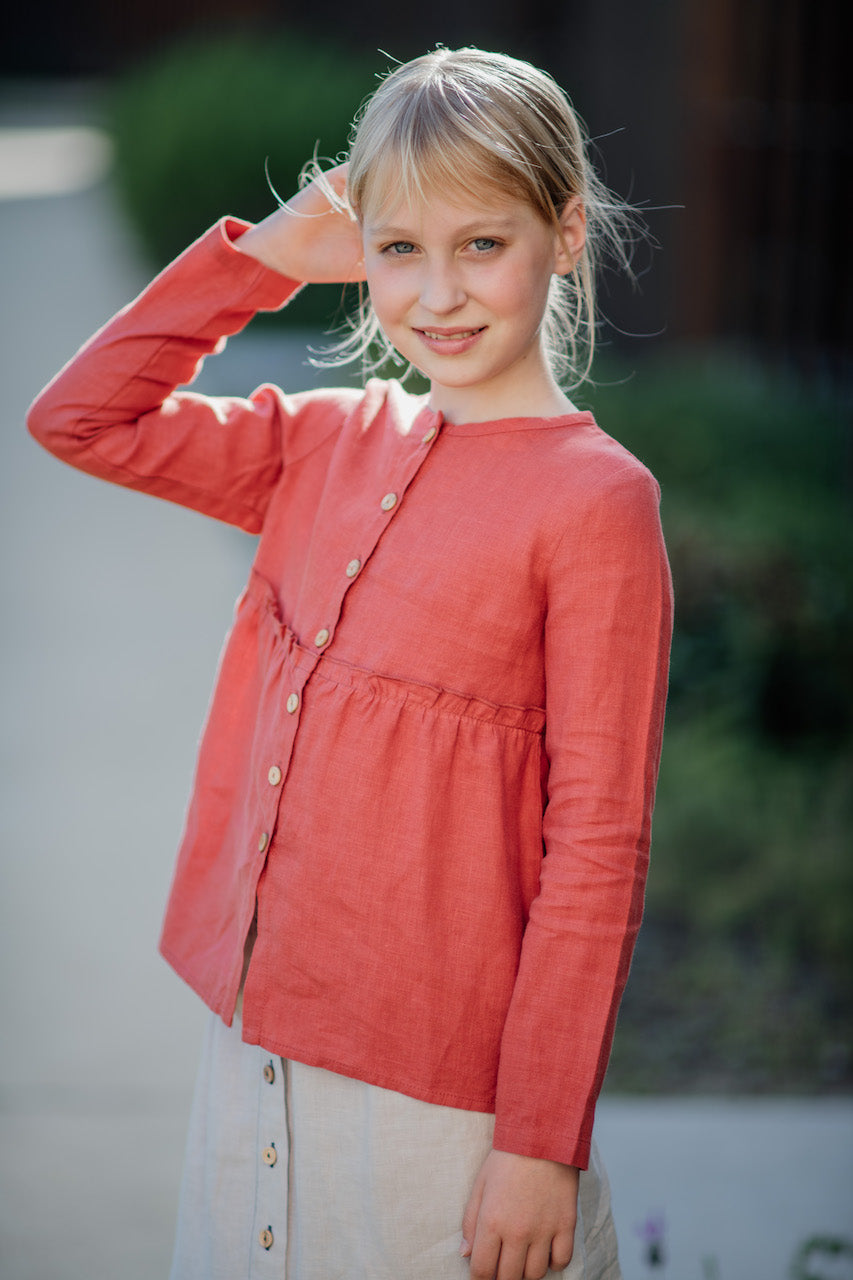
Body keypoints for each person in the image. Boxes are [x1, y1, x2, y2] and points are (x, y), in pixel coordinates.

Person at [28, 47, 672, 1280]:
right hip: (253, 1049)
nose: (437, 292)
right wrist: (259, 255)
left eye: (481, 245)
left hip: (442, 1107)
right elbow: (79, 417)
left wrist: (539, 1141)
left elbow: (597, 842)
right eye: (397, 248)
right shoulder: (321, 440)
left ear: (567, 233)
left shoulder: (595, 502)